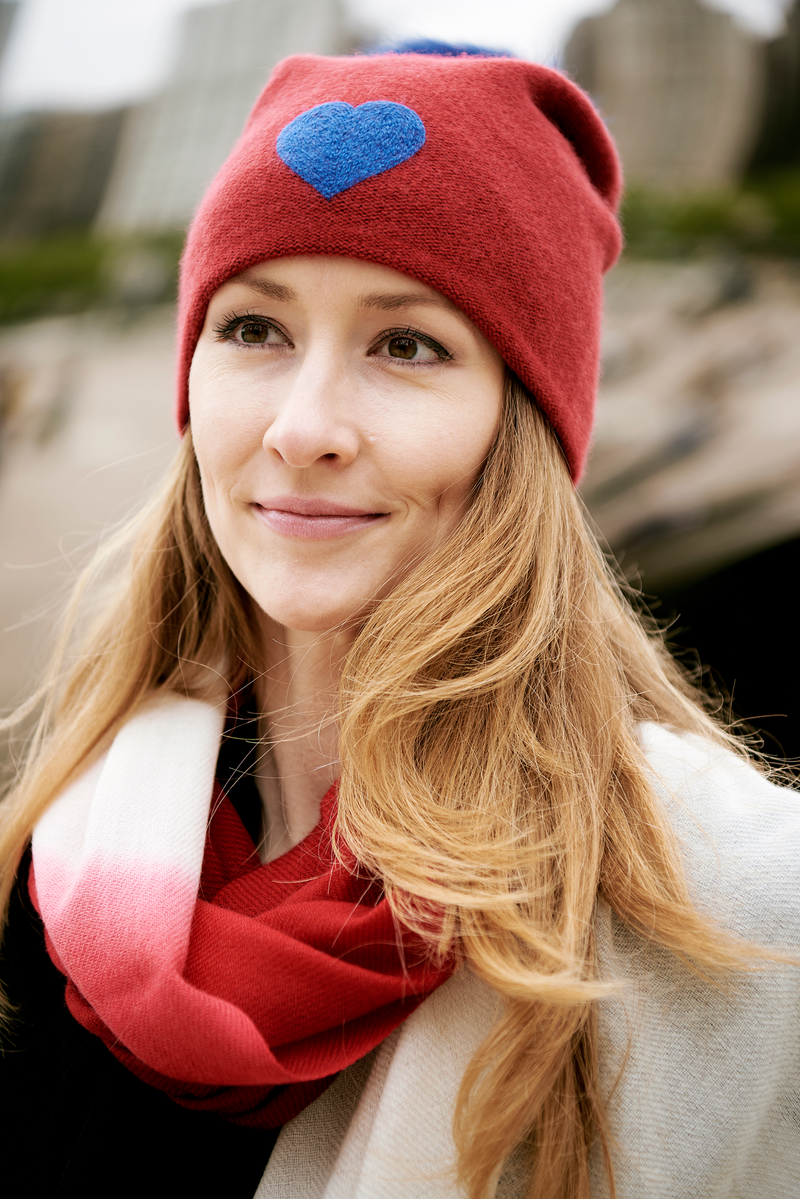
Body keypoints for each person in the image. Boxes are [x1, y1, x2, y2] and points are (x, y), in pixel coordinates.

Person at [1, 42, 798, 1199]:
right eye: (253, 329)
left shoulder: (736, 906)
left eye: (407, 344)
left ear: (518, 425)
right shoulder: (59, 865)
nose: (302, 426)